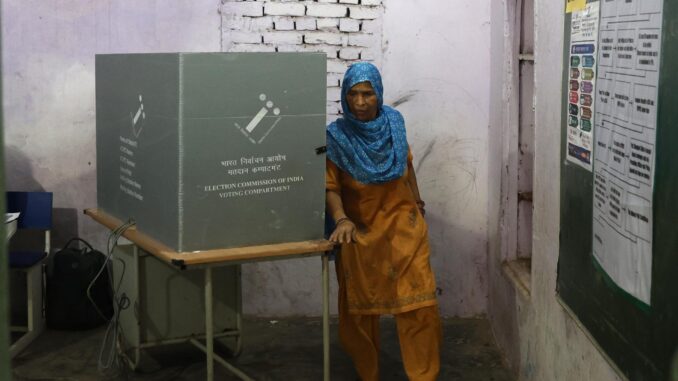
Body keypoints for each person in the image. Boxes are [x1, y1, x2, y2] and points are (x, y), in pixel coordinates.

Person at [326, 62, 441, 381]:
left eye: (368, 94)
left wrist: (417, 203)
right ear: (344, 97)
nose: (360, 102)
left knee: (420, 306)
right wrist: (341, 219)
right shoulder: (336, 136)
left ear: (379, 94)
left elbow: (406, 164)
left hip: (405, 232)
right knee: (360, 313)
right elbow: (330, 185)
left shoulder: (394, 123)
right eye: (353, 94)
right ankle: (369, 374)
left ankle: (424, 375)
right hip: (359, 234)